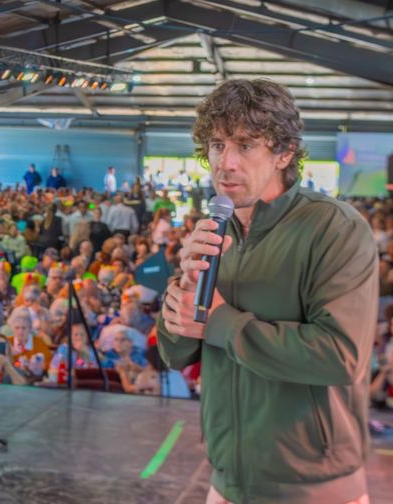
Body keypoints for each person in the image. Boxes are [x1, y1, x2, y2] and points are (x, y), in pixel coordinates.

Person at [157, 79, 377, 504]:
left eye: (245, 145)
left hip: (314, 486)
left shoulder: (334, 229)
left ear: (284, 153)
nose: (226, 163)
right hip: (226, 480)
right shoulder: (216, 232)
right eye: (217, 145)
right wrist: (184, 285)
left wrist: (219, 321)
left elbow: (341, 355)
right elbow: (175, 354)